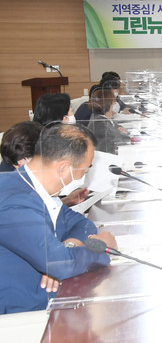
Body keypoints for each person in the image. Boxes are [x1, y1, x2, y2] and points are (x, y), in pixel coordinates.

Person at [0, 123, 116, 314]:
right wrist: (102, 247)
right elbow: (61, 265)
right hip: (23, 312)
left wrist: (68, 247)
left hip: (49, 298)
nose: (82, 178)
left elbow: (81, 223)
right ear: (64, 168)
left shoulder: (34, 188)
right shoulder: (16, 201)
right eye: (84, 171)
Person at [1, 121, 89, 205]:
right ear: (21, 160)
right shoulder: (12, 189)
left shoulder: (22, 172)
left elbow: (43, 207)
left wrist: (68, 200)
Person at [86, 87, 132, 154]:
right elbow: (124, 139)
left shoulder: (100, 117)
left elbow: (114, 125)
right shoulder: (99, 123)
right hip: (107, 156)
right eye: (114, 102)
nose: (115, 104)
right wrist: (126, 133)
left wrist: (119, 128)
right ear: (109, 105)